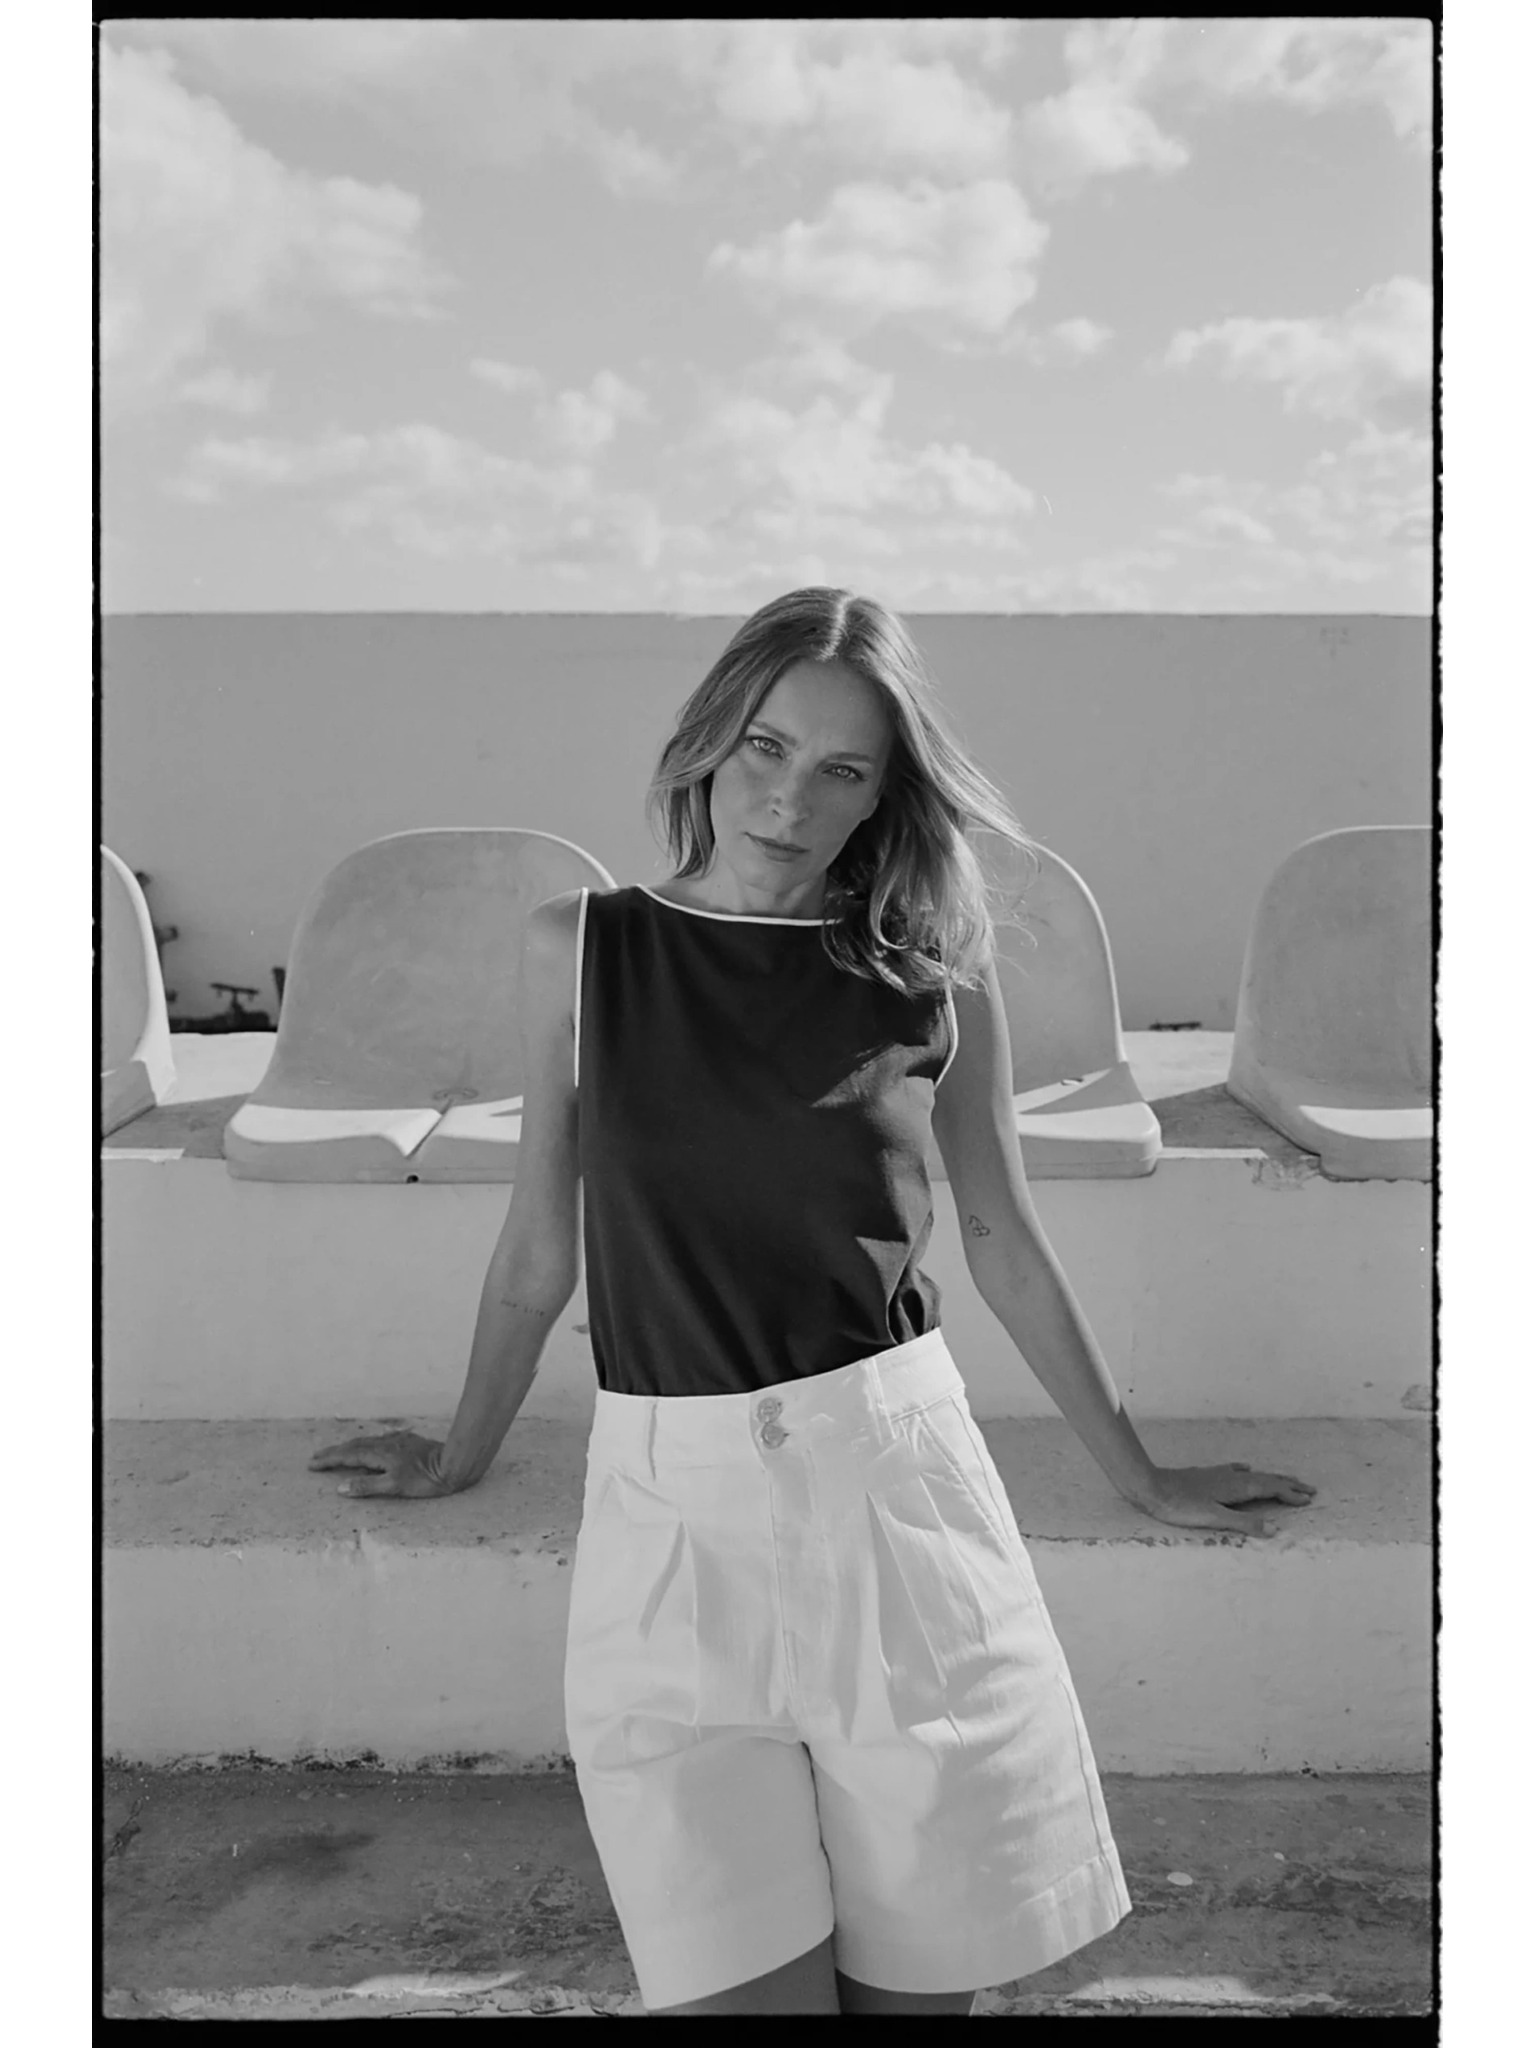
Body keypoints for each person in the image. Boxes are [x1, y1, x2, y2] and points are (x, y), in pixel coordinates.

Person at [310, 588, 1316, 2017]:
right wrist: (458, 1451)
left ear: (887, 794)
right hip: (668, 1537)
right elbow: (541, 1243)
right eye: (767, 748)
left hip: (898, 1515)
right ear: (711, 740)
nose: (790, 799)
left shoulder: (932, 981)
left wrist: (1142, 1477)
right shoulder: (580, 949)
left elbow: (1002, 1240)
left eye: (843, 768)